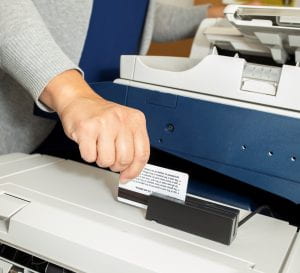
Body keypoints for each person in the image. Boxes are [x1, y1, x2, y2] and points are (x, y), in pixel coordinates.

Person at [0, 0, 227, 182]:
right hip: (38, 112)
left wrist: (209, 14)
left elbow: (142, 13)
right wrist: (72, 94)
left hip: (103, 120)